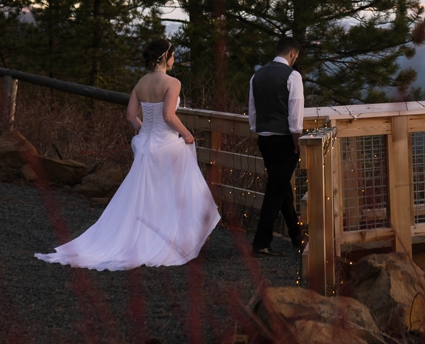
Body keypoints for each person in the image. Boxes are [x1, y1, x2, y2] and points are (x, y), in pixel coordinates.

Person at [36, 39, 220, 270]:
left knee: (147, 194)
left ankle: (148, 235)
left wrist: (145, 131)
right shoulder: (173, 82)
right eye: (173, 55)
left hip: (146, 144)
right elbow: (168, 116)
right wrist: (188, 135)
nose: (174, 59)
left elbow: (131, 117)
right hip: (166, 144)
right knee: (179, 190)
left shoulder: (140, 83)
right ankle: (175, 238)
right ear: (165, 56)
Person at [250, 37, 306, 256]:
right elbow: (295, 114)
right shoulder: (293, 76)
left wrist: (258, 130)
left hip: (264, 138)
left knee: (281, 188)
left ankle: (295, 236)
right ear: (292, 54)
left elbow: (252, 111)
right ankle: (261, 241)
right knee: (276, 190)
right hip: (284, 139)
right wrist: (296, 143)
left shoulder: (257, 75)